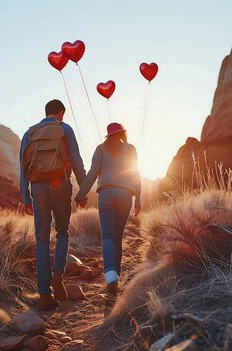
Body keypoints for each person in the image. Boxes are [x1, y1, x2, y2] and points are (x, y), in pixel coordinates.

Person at [19, 99, 86, 310]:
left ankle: (45, 295)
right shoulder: (64, 129)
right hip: (62, 185)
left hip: (38, 189)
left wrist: (25, 197)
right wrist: (83, 191)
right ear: (61, 113)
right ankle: (58, 274)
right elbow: (76, 160)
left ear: (45, 113)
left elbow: (23, 169)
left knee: (41, 241)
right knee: (63, 233)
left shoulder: (29, 133)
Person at [75, 122, 141, 299]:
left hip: (105, 194)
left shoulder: (100, 148)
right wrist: (139, 199)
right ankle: (116, 276)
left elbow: (92, 173)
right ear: (122, 133)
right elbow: (136, 174)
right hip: (126, 195)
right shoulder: (130, 148)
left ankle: (111, 276)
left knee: (108, 237)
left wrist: (81, 194)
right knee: (118, 237)